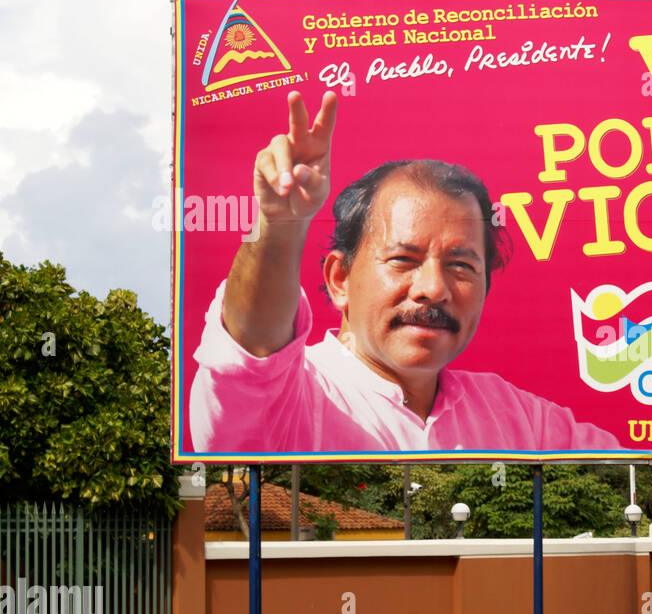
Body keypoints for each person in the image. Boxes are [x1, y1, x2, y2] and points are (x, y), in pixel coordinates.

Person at [188, 90, 619, 453]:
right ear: (339, 279)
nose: (433, 289)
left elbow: (628, 470)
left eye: (461, 266)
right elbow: (252, 354)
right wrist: (277, 226)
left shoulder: (522, 424)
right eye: (403, 261)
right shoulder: (293, 398)